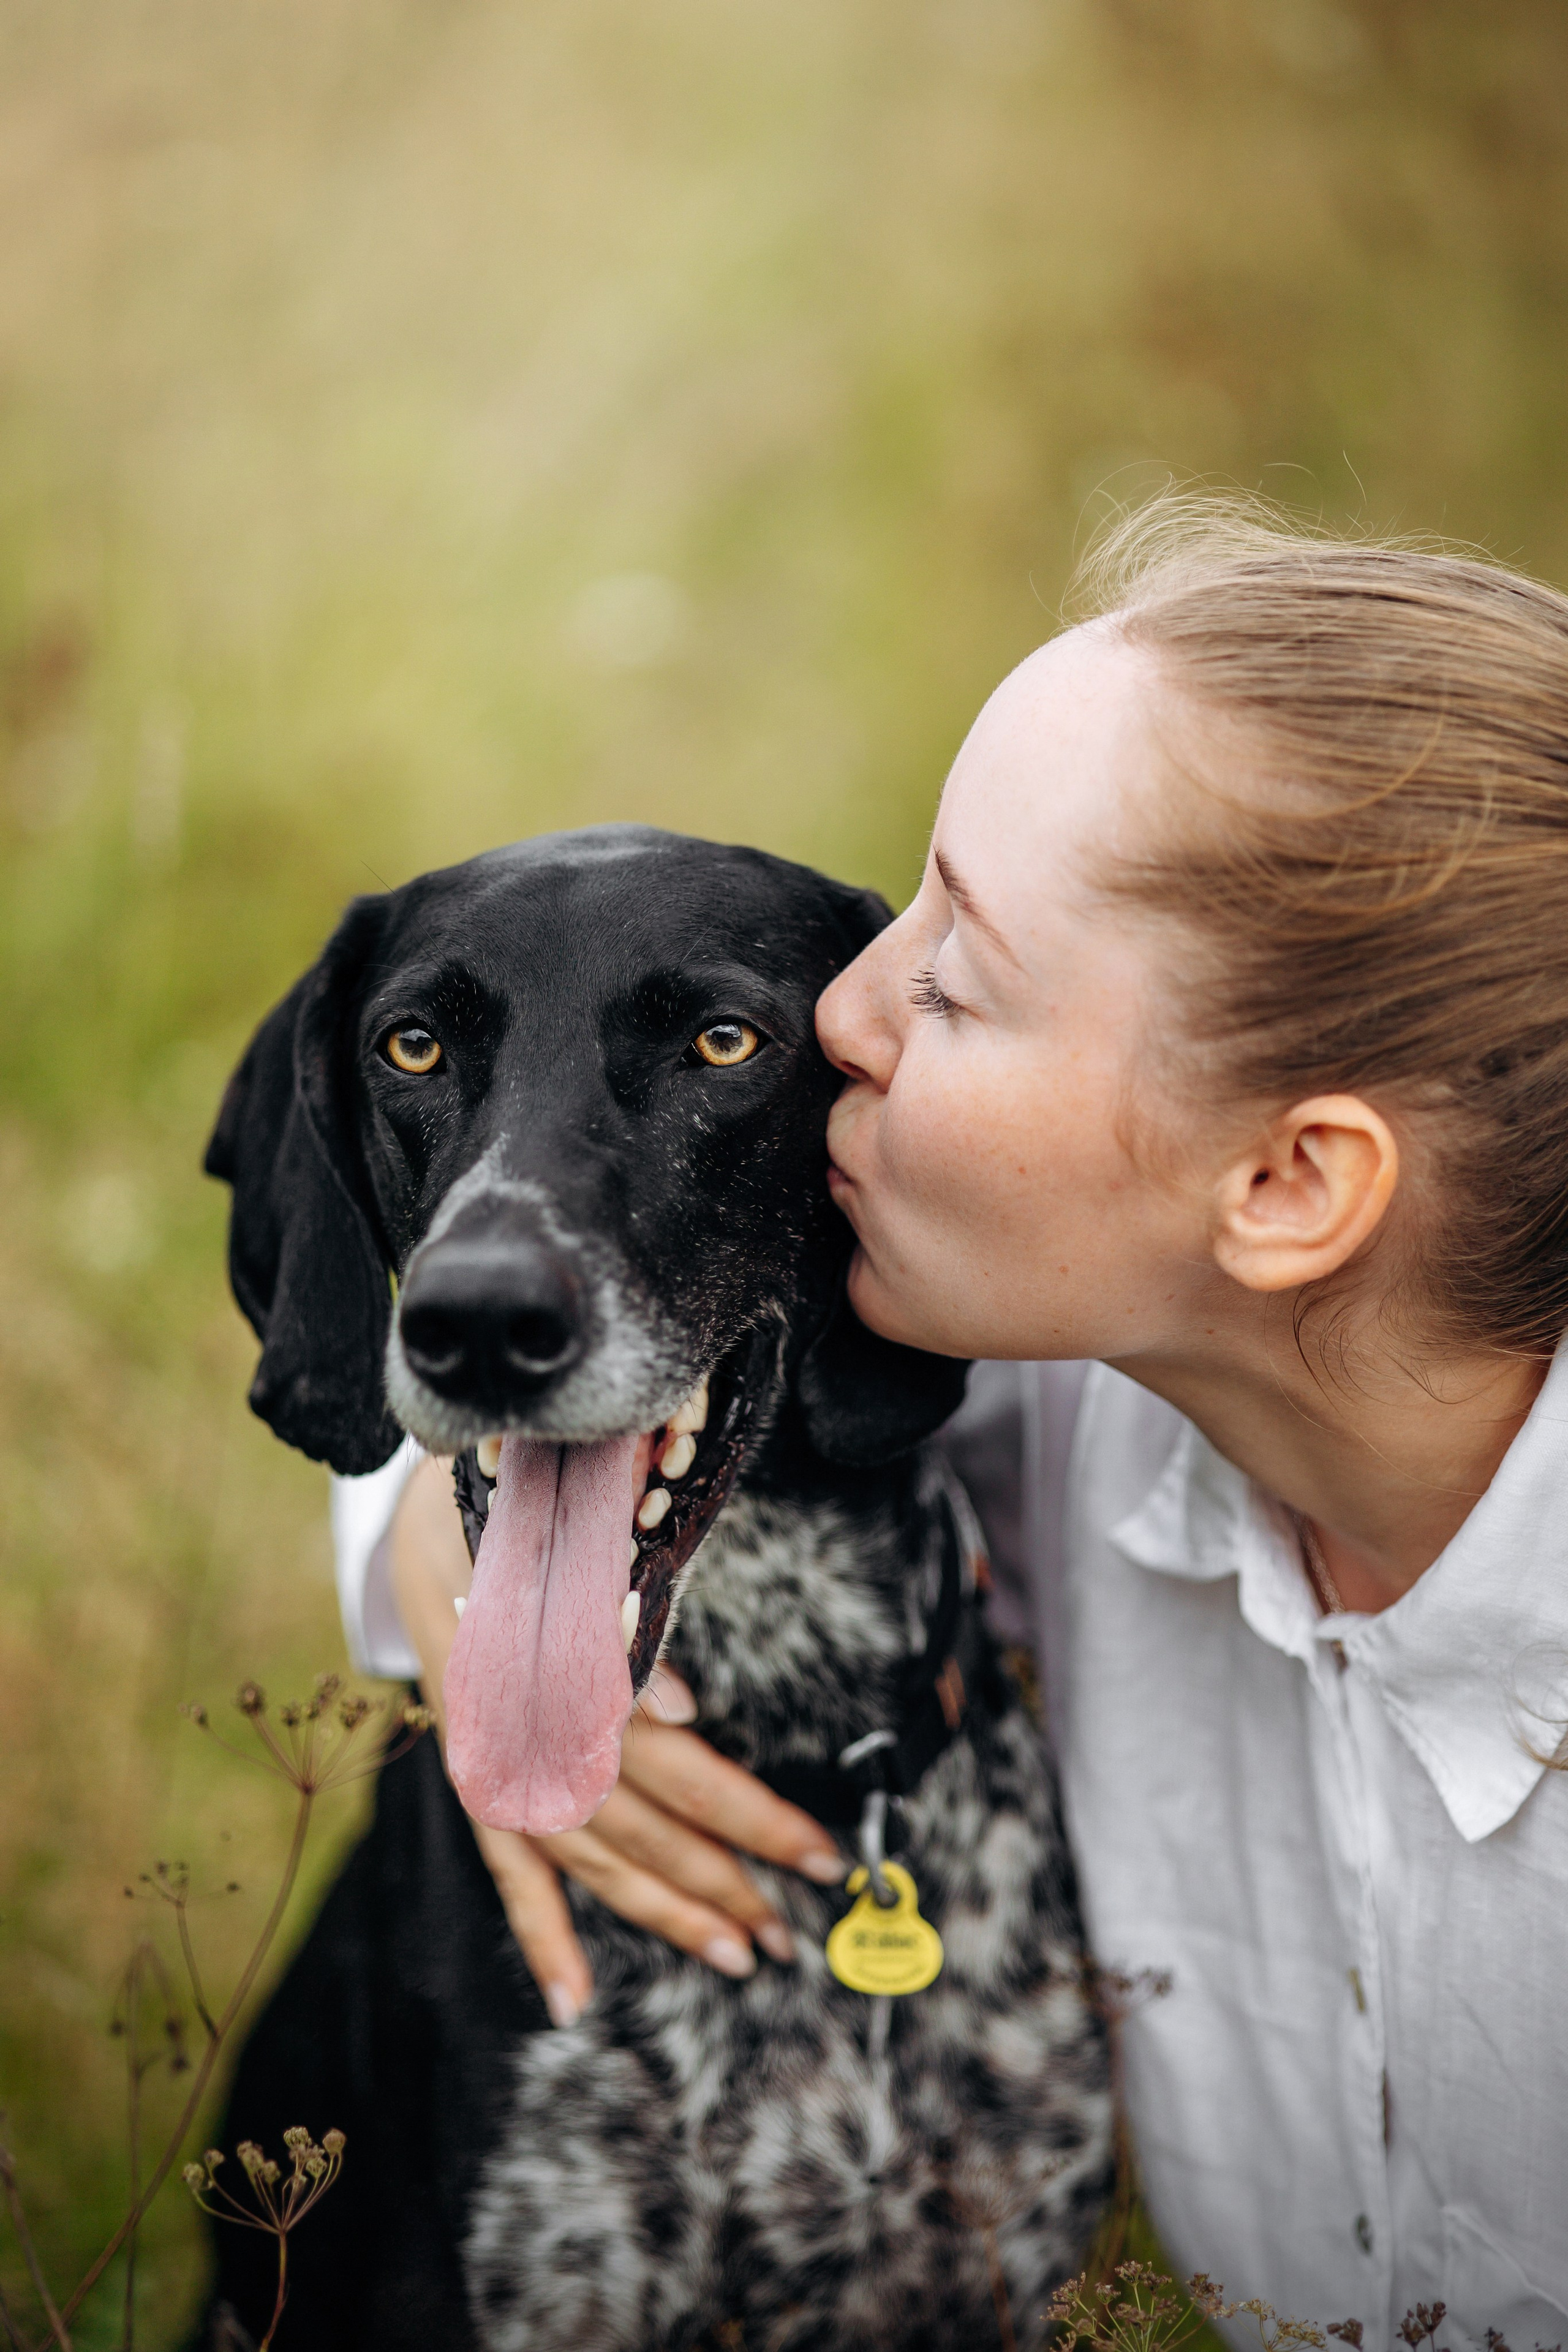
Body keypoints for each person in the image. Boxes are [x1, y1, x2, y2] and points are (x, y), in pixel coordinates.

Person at [333, 499, 1568, 2346]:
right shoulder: (1083, 1402)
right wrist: (475, 1585)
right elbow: (452, 1424)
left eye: (957, 974)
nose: (839, 1003)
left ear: (1291, 1186)